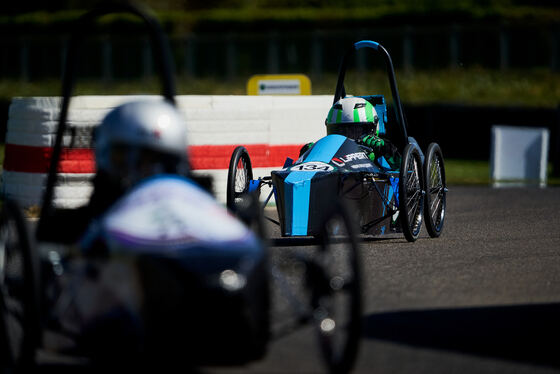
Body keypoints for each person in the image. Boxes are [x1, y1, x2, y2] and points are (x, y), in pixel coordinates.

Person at [37, 99, 190, 243]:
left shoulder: (192, 210)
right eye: (122, 158)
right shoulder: (88, 221)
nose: (134, 170)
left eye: (147, 160)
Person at [300, 96, 400, 169]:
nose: (348, 137)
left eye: (356, 131)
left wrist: (386, 149)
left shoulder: (379, 150)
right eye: (341, 131)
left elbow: (402, 170)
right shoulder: (328, 151)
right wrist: (311, 152)